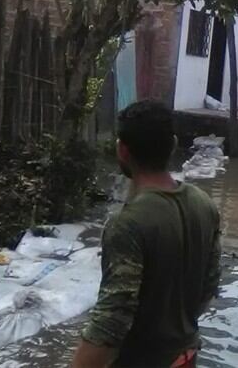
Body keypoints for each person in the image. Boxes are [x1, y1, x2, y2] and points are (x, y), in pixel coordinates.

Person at [73, 100, 221, 368]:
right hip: (186, 356)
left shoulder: (127, 224)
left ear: (122, 150)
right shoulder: (204, 205)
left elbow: (112, 319)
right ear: (173, 144)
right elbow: (209, 285)